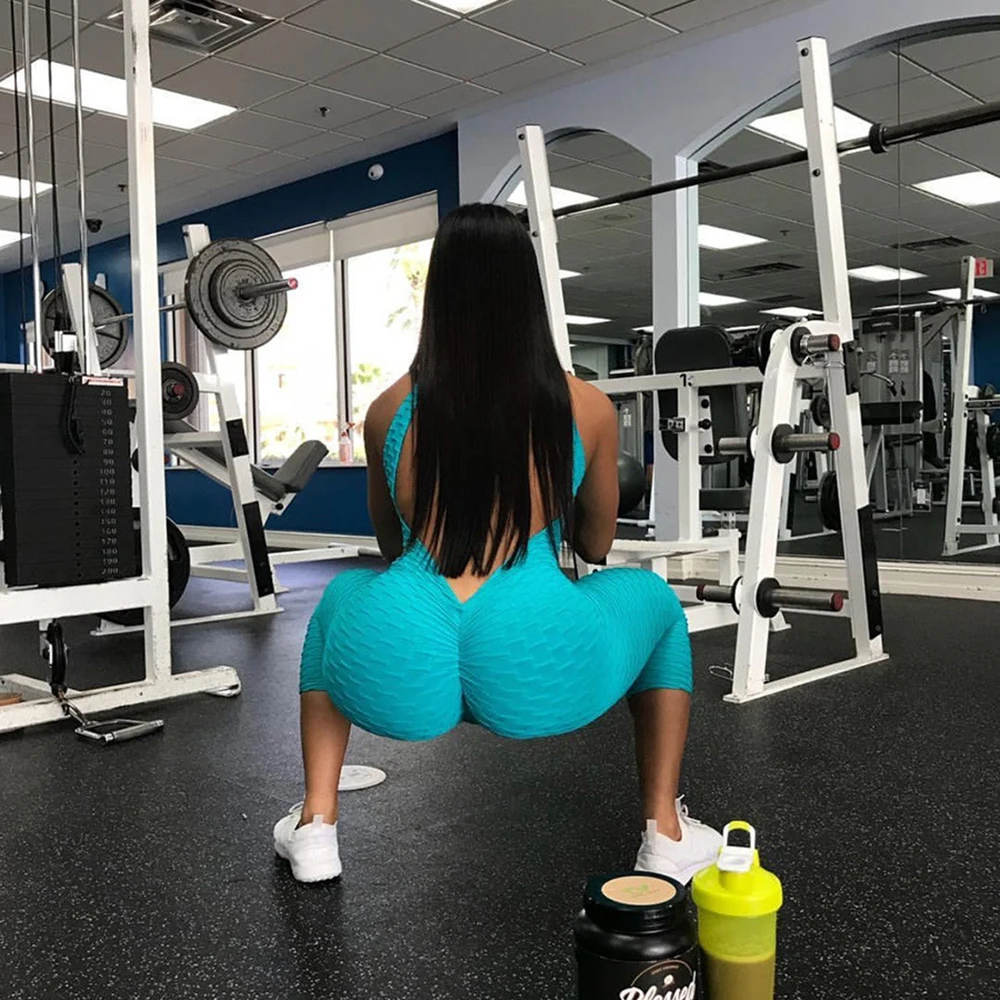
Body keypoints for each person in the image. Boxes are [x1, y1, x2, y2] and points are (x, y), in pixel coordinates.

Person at [273, 204, 721, 885]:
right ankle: (665, 832)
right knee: (654, 603)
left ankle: (316, 825)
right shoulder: (586, 406)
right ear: (526, 291)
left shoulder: (388, 410)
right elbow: (596, 545)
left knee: (342, 597)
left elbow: (391, 548)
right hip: (536, 660)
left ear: (439, 292)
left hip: (402, 660)